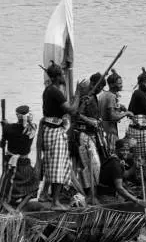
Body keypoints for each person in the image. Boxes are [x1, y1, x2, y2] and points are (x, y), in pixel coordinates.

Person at [40, 62, 80, 211]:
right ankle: (55, 202)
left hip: (51, 130)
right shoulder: (55, 91)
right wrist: (77, 95)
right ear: (57, 77)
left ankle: (44, 194)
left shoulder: (50, 90)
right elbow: (71, 110)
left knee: (52, 164)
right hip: (55, 131)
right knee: (57, 167)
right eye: (62, 74)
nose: (64, 76)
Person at [76, 72, 105, 205]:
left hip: (93, 134)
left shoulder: (93, 96)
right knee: (90, 165)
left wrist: (97, 120)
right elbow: (77, 115)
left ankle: (94, 194)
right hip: (84, 134)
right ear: (93, 84)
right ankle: (90, 195)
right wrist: (90, 121)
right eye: (98, 87)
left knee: (95, 165)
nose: (99, 91)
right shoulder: (85, 97)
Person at [0, 105, 39, 206]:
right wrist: (7, 126)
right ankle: (21, 204)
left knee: (7, 185)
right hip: (24, 164)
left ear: (17, 116)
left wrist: (4, 127)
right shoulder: (33, 127)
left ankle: (9, 201)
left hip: (11, 164)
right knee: (34, 184)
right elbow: (21, 129)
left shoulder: (8, 129)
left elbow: (2, 144)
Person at [126, 68, 146, 184]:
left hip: (136, 129)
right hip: (140, 131)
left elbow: (130, 113)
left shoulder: (138, 93)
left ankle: (140, 178)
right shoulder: (141, 95)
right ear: (140, 83)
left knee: (138, 155)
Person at [97, 139, 146, 207]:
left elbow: (124, 175)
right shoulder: (115, 164)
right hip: (106, 196)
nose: (125, 152)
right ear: (116, 150)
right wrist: (137, 201)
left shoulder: (117, 160)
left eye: (127, 150)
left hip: (113, 193)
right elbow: (119, 188)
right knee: (125, 212)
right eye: (122, 150)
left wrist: (135, 166)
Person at [98, 69, 133, 152]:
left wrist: (119, 107)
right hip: (110, 133)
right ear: (112, 84)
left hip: (103, 131)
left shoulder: (103, 94)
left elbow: (107, 110)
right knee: (112, 156)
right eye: (119, 83)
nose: (121, 85)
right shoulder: (112, 97)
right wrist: (126, 113)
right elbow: (113, 117)